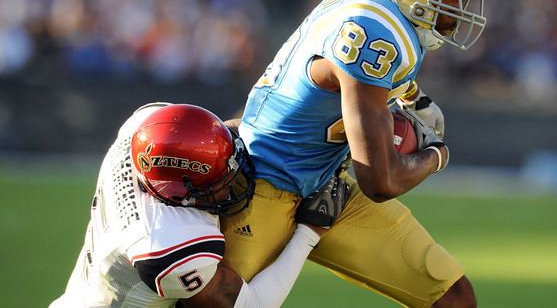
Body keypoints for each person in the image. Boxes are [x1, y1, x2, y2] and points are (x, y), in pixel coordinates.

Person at [220, 0, 489, 308]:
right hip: (267, 184)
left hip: (328, 180)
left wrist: (413, 98)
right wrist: (436, 156)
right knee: (218, 304)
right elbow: (380, 181)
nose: (458, 7)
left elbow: (370, 76)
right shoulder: (373, 29)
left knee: (453, 299)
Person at [50, 102, 350, 308]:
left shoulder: (147, 127)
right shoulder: (167, 243)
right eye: (221, 184)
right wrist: (310, 232)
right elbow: (252, 303)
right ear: (181, 194)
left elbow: (216, 132)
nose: (236, 183)